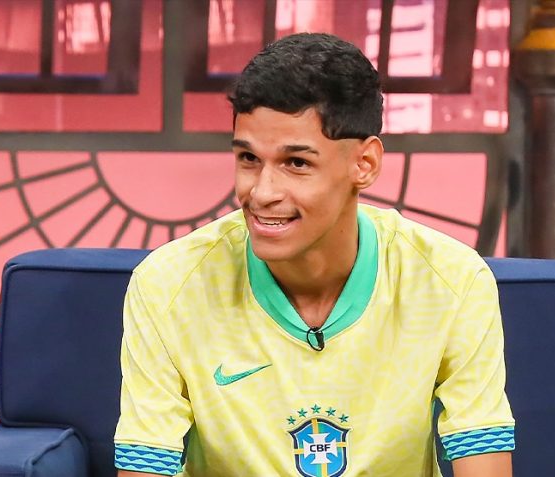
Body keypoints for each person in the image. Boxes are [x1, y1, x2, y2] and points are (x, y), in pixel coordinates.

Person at [114, 32, 514, 477]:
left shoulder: (452, 281)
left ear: (364, 164)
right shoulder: (167, 285)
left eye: (296, 163)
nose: (261, 192)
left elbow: (483, 460)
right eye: (248, 159)